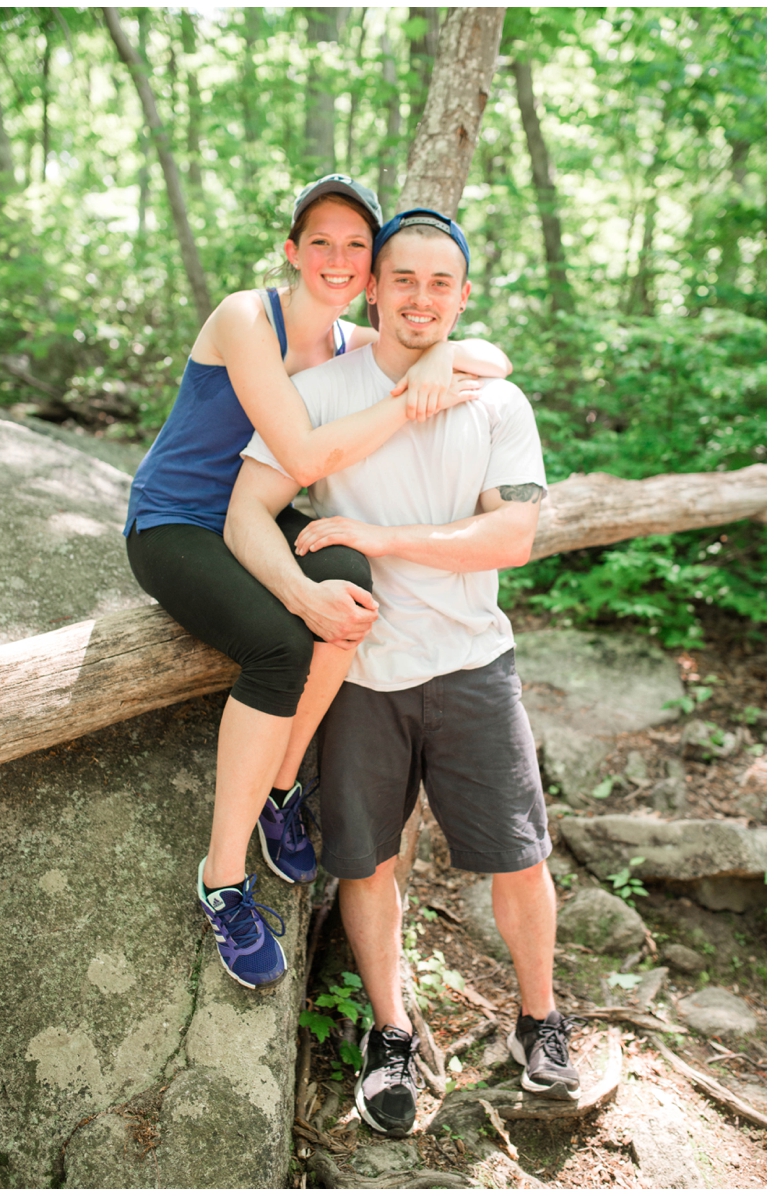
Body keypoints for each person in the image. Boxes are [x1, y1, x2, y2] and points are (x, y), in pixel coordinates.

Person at [229, 208, 575, 1139]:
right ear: (372, 288)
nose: (420, 298)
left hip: (473, 662)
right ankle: (389, 1036)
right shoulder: (322, 386)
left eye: (440, 283)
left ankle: (539, 1020)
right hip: (361, 675)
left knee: (520, 855)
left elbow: (514, 534)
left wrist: (377, 540)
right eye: (403, 279)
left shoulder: (495, 400)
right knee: (366, 862)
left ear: (464, 297)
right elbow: (252, 505)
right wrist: (300, 594)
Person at [122, 175, 512, 992]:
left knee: (348, 579)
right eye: (321, 242)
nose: (337, 259)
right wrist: (410, 397)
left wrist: (440, 351)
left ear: (369, 272)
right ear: (292, 251)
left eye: (355, 246)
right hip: (179, 524)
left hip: (259, 518)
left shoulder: (345, 344)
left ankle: (277, 786)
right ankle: (223, 880)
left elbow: (488, 355)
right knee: (280, 642)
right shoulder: (245, 318)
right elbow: (301, 461)